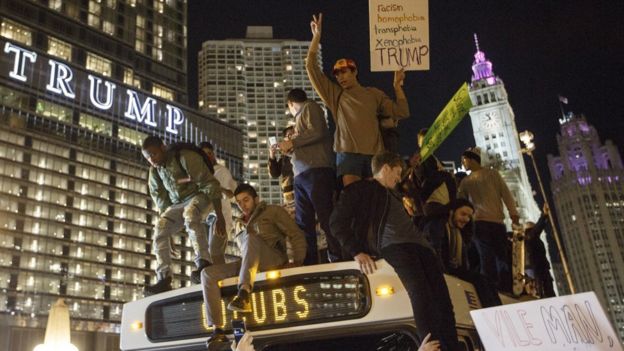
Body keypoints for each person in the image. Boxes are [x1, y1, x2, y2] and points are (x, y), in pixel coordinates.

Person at [330, 152, 461, 351]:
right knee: (419, 291)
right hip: (395, 246)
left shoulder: (397, 194)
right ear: (385, 168)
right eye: (397, 173)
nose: (399, 178)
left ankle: (451, 346)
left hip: (423, 248)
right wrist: (357, 251)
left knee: (442, 298)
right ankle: (430, 345)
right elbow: (336, 222)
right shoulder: (360, 190)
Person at [306, 13, 410, 187]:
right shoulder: (336, 95)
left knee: (373, 200)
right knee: (352, 197)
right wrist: (316, 37)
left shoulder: (373, 94)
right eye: (337, 74)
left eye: (344, 71)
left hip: (374, 155)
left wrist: (397, 88)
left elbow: (402, 112)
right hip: (348, 154)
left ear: (355, 72)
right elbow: (311, 67)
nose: (340, 77)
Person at [202, 184, 306, 347]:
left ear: (256, 199)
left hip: (272, 259)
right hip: (250, 263)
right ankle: (217, 330)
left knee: (251, 239)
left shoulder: (272, 211)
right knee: (208, 274)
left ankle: (243, 294)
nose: (243, 205)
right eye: (239, 203)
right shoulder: (237, 225)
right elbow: (245, 253)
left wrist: (298, 262)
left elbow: (296, 235)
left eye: (246, 200)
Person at [141, 136, 224, 295]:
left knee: (190, 213)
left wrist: (219, 215)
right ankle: (164, 279)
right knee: (159, 227)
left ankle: (203, 262)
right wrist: (168, 233)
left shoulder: (185, 156)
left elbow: (209, 184)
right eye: (148, 157)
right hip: (177, 204)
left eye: (154, 154)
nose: (152, 159)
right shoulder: (155, 172)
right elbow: (162, 202)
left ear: (163, 148)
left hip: (201, 195)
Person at [277, 88, 340, 264]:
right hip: (301, 174)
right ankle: (309, 260)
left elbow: (317, 132)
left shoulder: (310, 107)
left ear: (290, 103)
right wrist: (289, 149)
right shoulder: (299, 120)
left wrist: (292, 142)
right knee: (304, 222)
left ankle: (337, 256)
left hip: (317, 170)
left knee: (325, 215)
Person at [458, 147, 520, 293]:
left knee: (500, 257)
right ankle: (492, 289)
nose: (463, 163)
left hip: (496, 223)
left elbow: (506, 194)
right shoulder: (465, 182)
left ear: (472, 159)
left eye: (464, 160)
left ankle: (504, 288)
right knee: (487, 257)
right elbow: (460, 202)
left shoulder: (492, 174)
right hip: (479, 224)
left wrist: (514, 214)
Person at [433, 199, 502, 307]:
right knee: (480, 280)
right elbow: (435, 253)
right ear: (452, 212)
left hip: (455, 268)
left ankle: (498, 310)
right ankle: (491, 311)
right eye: (463, 214)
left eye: (469, 217)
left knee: (487, 280)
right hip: (442, 269)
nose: (466, 219)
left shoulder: (459, 232)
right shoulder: (437, 227)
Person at [199, 141, 238, 265]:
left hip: (221, 216)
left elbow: (230, 194)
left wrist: (214, 186)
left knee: (215, 251)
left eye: (210, 153)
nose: (208, 156)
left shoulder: (221, 171)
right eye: (204, 154)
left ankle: (221, 278)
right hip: (204, 217)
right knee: (205, 254)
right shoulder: (198, 174)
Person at [524, 203, 556, 298]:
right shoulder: (531, 237)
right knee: (546, 294)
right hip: (538, 270)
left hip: (536, 270)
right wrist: (544, 215)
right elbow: (538, 228)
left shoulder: (527, 240)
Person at [268, 126, 296, 214]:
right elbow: (274, 174)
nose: (292, 137)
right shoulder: (284, 156)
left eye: (294, 134)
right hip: (289, 192)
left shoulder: (301, 148)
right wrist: (272, 155)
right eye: (289, 135)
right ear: (285, 139)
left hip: (302, 185)